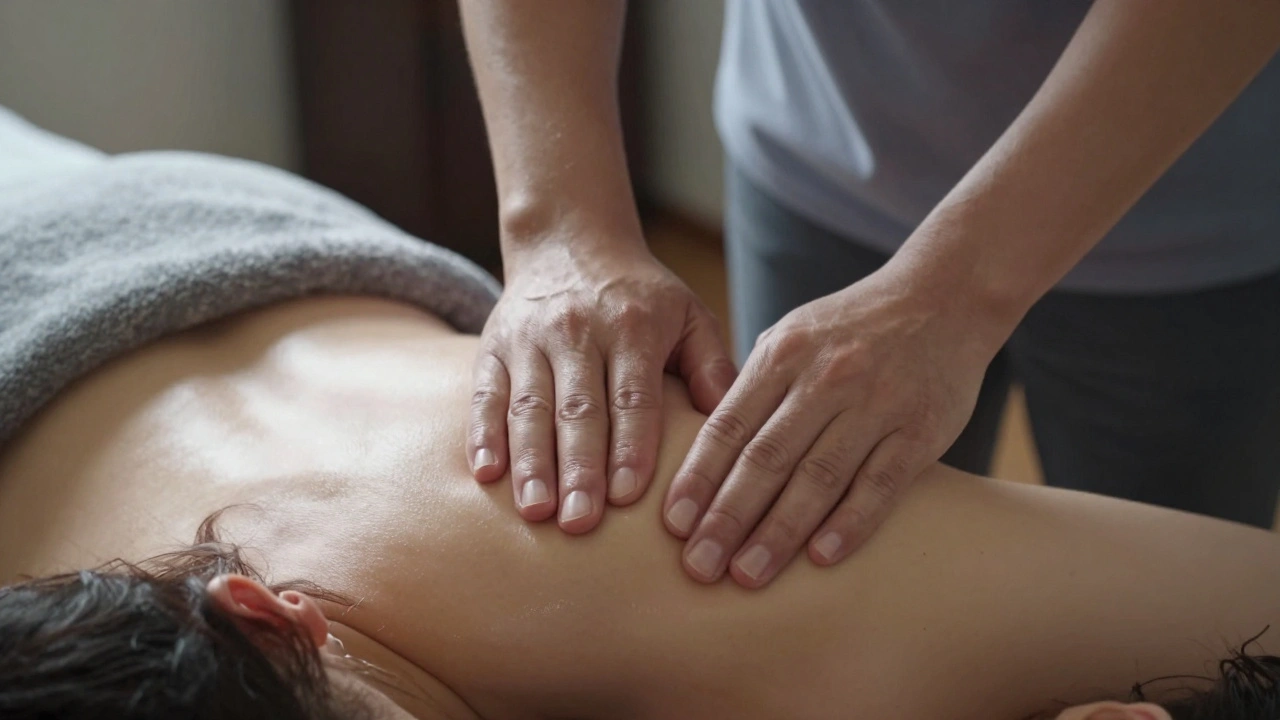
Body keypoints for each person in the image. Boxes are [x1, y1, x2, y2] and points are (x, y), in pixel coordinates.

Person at [2, 109, 1280, 720]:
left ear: (268, 608)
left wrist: (961, 291)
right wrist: (554, 222)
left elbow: (1249, 597)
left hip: (149, 247)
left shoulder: (675, 570)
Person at [457, 0, 1280, 588]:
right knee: (801, 565)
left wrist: (952, 296)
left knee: (1158, 638)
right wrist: (559, 227)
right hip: (820, 149)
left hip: (1191, 203)